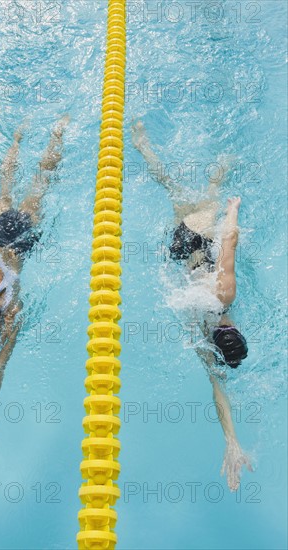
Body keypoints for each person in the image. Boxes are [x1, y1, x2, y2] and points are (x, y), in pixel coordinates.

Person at [132, 120, 252, 491]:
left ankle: (214, 158)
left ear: (233, 329)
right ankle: (143, 146)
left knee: (208, 191)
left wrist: (233, 211)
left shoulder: (223, 296)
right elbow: (218, 390)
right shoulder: (201, 337)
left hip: (201, 237)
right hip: (180, 250)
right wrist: (231, 441)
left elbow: (228, 244)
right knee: (171, 191)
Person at [0, 115, 69, 469]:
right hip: (0, 235)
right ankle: (19, 136)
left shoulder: (13, 313)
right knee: (6, 185)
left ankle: (57, 134)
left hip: (24, 243)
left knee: (41, 184)